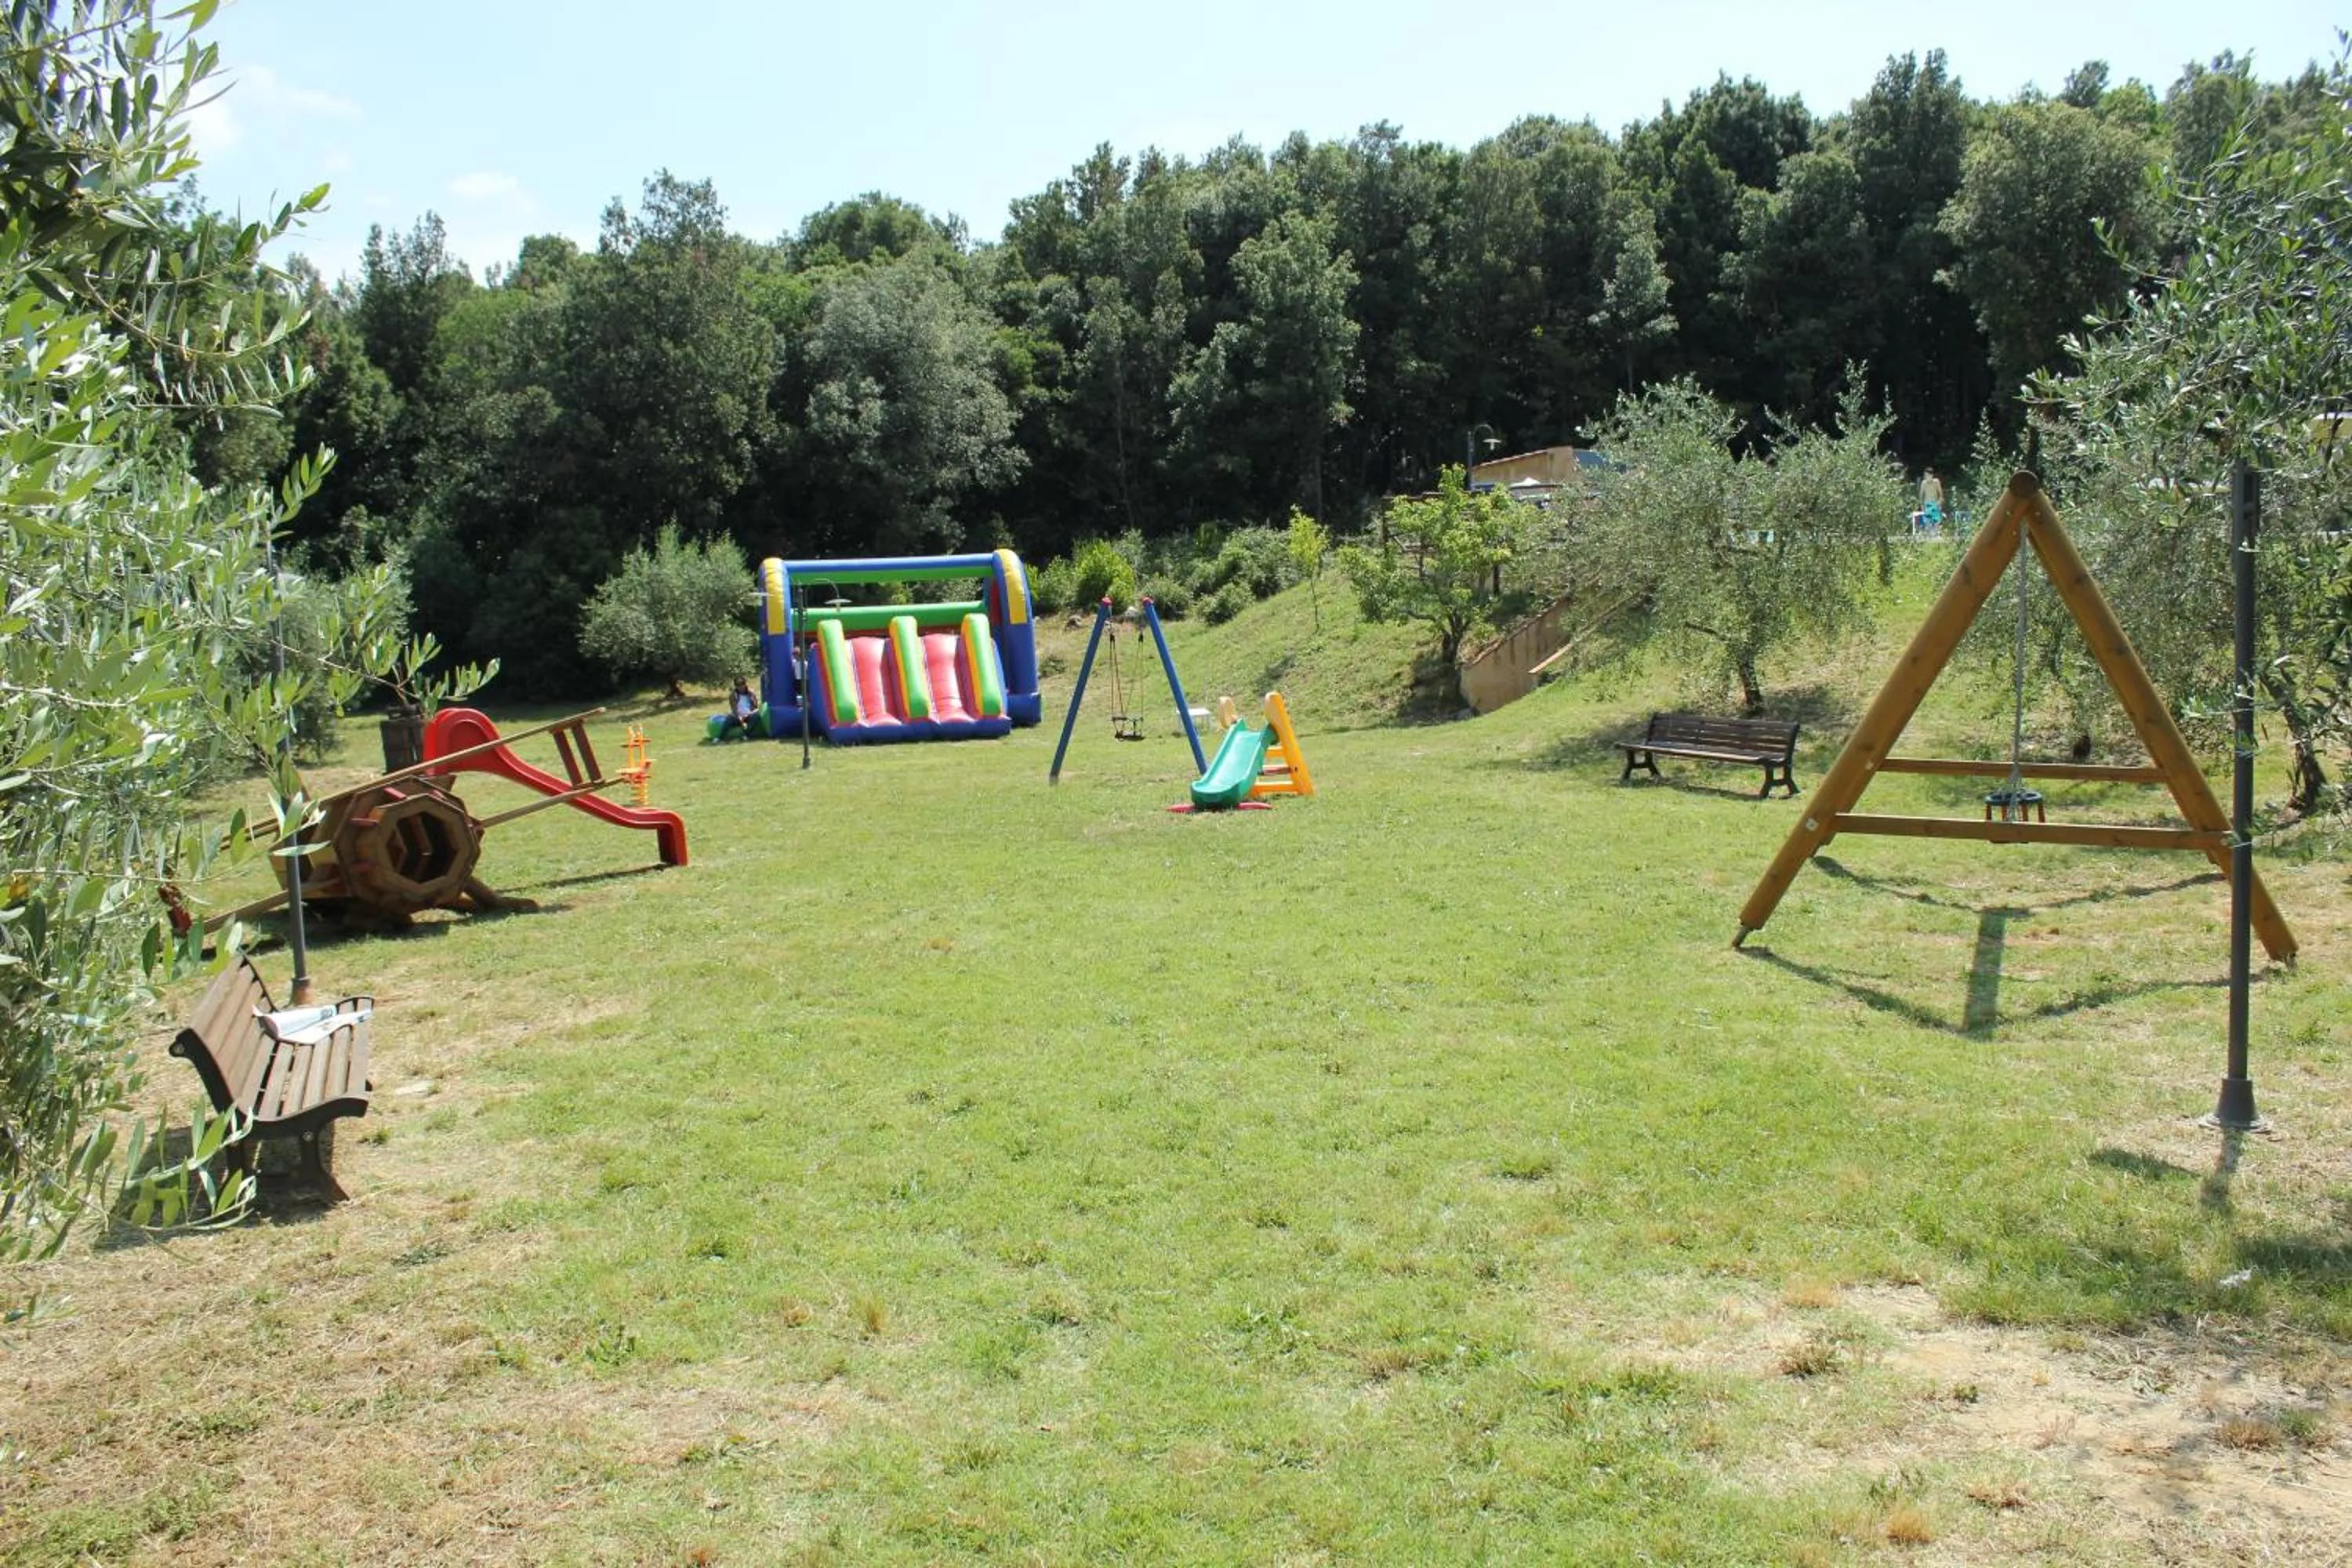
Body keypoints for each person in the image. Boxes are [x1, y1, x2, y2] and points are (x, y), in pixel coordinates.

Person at [719, 677, 758, 741]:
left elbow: (755, 707)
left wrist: (749, 714)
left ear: (745, 684)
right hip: (738, 717)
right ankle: (719, 738)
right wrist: (742, 721)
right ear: (735, 686)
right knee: (730, 717)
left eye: (742, 683)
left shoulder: (751, 693)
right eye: (738, 684)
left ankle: (745, 735)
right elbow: (734, 710)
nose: (741, 686)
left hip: (748, 716)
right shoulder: (733, 695)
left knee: (756, 714)